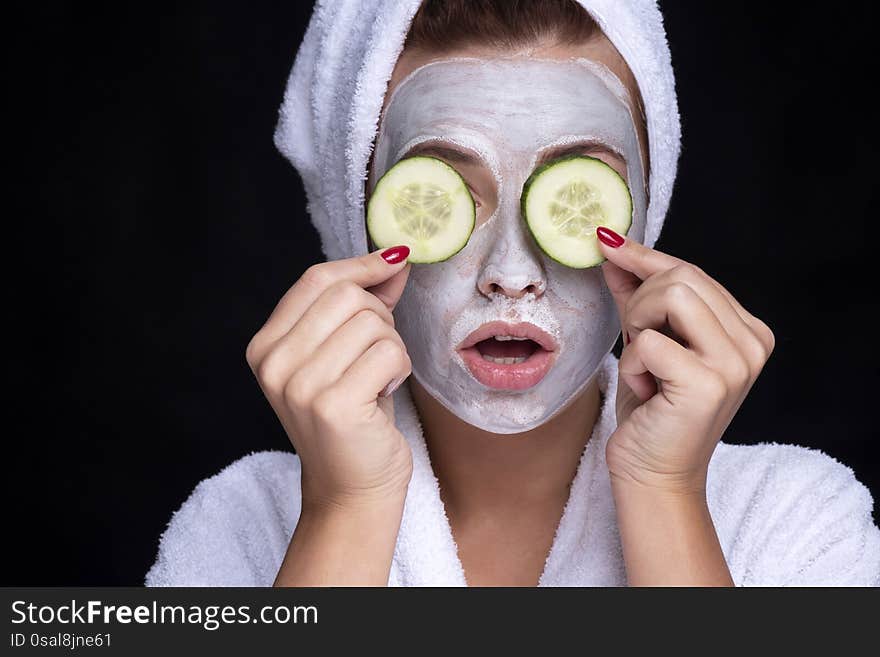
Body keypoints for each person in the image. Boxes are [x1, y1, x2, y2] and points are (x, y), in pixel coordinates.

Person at [145, 0, 880, 586]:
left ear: (643, 220)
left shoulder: (796, 516)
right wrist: (346, 514)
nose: (512, 273)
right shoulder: (239, 525)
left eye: (578, 200)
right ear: (357, 221)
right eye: (443, 198)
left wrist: (665, 490)